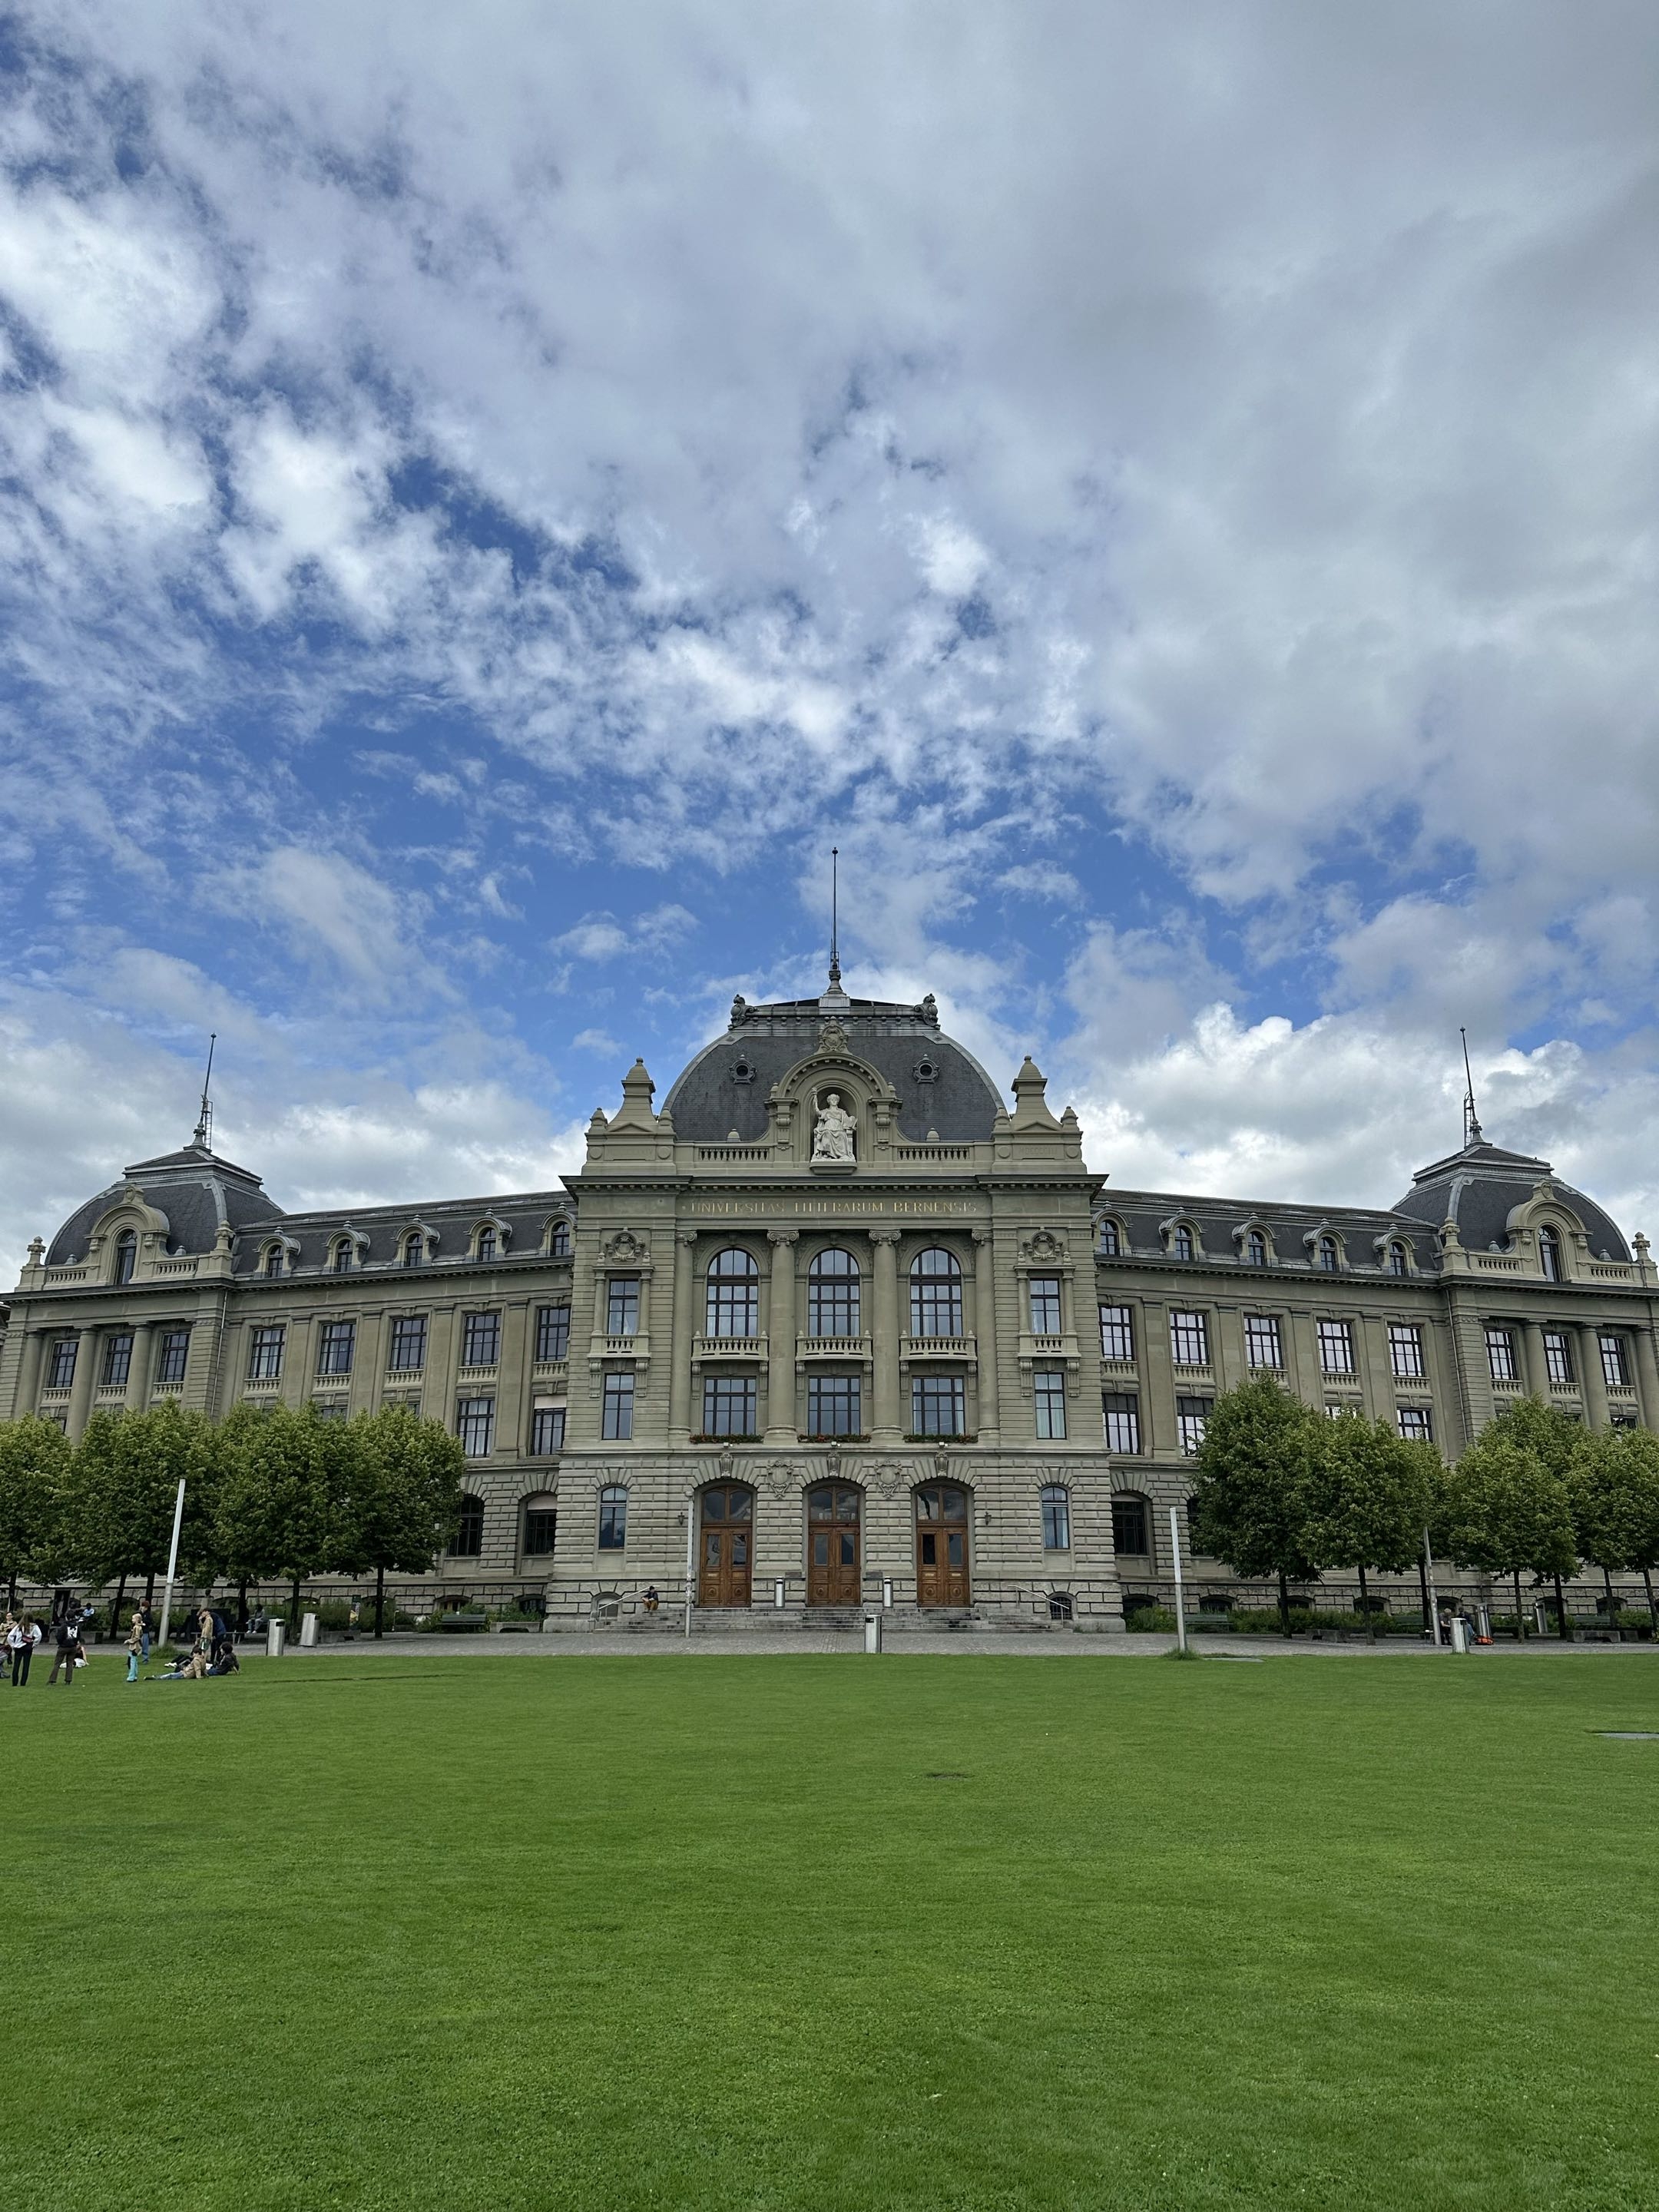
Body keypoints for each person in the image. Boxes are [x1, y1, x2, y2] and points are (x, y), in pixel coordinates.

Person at [48, 1611, 84, 1686]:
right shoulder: (77, 1625)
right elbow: (79, 1636)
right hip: (73, 1647)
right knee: (70, 1663)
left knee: (57, 1663)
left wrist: (60, 1643)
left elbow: (59, 1636)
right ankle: (68, 1680)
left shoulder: (64, 1626)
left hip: (64, 1646)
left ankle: (52, 1680)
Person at [124, 1611, 144, 1684]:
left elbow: (137, 1637)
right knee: (134, 1661)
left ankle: (131, 1677)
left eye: (133, 1619)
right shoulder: (139, 1627)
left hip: (135, 1646)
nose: (132, 1620)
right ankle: (134, 1676)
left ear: (137, 1620)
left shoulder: (137, 1627)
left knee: (132, 1661)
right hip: (136, 1646)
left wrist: (129, 1641)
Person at [138, 1600, 154, 1664]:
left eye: (145, 1607)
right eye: (143, 1607)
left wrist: (144, 1622)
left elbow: (150, 1622)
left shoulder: (148, 1614)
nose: (144, 1608)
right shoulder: (139, 1613)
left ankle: (145, 1659)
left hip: (145, 1631)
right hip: (138, 1631)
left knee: (145, 1645)